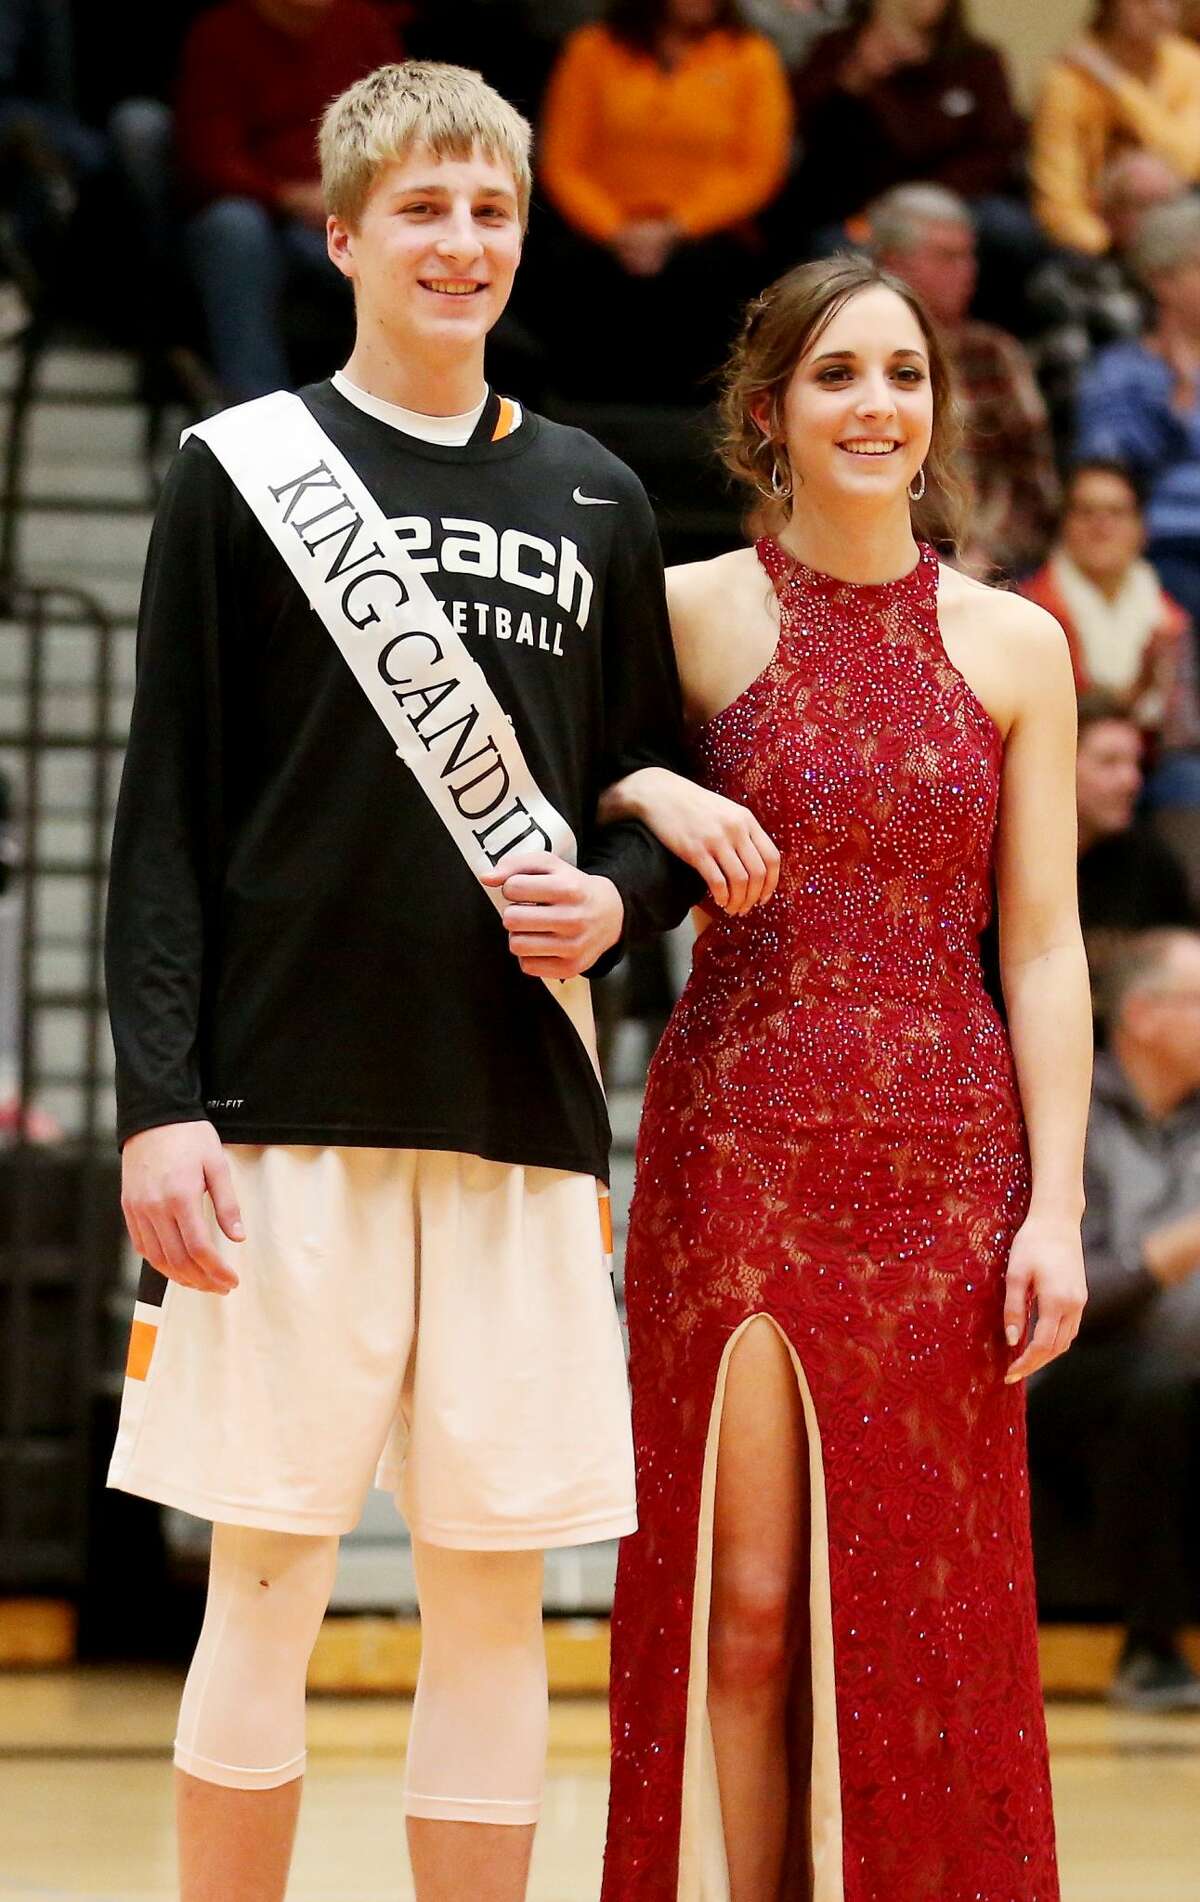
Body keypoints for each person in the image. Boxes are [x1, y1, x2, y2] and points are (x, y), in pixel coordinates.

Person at [105, 60, 699, 1902]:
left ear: (522, 240)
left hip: (521, 1115)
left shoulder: (600, 495)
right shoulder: (241, 470)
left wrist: (618, 906)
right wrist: (159, 1103)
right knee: (267, 1578)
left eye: (491, 211)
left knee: (494, 1597)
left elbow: (650, 805)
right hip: (279, 1114)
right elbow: (165, 812)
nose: (461, 243)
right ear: (347, 238)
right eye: (423, 210)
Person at [598, 254, 1090, 1898]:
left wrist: (1057, 1207)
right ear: (769, 413)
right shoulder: (683, 609)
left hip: (950, 1163)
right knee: (745, 1604)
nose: (878, 405)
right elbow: (564, 795)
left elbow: (1043, 947)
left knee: (920, 1613)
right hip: (736, 1143)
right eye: (837, 375)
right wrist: (648, 793)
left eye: (903, 374)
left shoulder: (1019, 644)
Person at [1028, 928, 1200, 1710]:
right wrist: (1176, 1249)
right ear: (1143, 1015)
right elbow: (1064, 1291)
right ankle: (1150, 1648)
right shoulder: (1068, 1113)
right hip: (1068, 1376)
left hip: (1180, 1374)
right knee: (1157, 1386)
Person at [534, 0, 793, 401]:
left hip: (707, 235)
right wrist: (614, 229)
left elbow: (760, 169)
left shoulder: (751, 56)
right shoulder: (592, 49)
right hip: (602, 234)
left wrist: (676, 227)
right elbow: (562, 162)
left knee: (715, 280)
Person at [175, 0, 401, 401]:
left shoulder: (362, 25)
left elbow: (403, 136)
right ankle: (257, 407)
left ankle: (418, 406)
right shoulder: (221, 33)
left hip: (347, 208)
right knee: (234, 226)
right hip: (258, 210)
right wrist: (286, 196)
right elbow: (208, 157)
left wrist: (352, 196)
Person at [786, 0, 1037, 315]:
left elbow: (997, 148)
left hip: (955, 201)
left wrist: (931, 198)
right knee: (832, 249)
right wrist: (855, 80)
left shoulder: (977, 61)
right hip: (865, 207)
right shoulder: (841, 51)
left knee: (1011, 229)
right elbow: (803, 138)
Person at [869, 181, 1061, 575]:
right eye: (947, 257)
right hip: (881, 560)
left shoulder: (994, 354)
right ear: (892, 265)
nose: (968, 270)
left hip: (994, 563)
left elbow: (1035, 486)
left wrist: (985, 559)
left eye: (969, 256)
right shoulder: (859, 359)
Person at [1075, 196, 1200, 627]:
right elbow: (1108, 467)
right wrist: (1175, 404)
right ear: (1162, 282)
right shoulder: (1122, 370)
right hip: (1169, 544)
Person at [1021, 461, 1199, 748]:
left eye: (1116, 513)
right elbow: (1031, 716)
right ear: (1064, 524)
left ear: (1142, 528)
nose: (1101, 526)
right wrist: (1130, 697)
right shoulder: (1031, 609)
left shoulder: (1170, 618)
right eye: (1086, 512)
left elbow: (1184, 733)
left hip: (1153, 758)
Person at [1027, 149, 1178, 453]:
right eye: (1142, 205)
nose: (1159, 220)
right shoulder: (1066, 284)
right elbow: (1070, 397)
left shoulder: (1189, 292)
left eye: (1170, 206)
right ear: (1107, 214)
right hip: (1105, 450)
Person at [1031, 0, 1200, 257]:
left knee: (1147, 177)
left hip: (1179, 232)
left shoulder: (1189, 63)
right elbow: (1058, 200)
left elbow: (1185, 162)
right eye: (1143, 1)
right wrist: (1105, 248)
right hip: (1095, 236)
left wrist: (1115, 82)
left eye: (1171, 1)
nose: (1160, 10)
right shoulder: (1068, 79)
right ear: (1110, 5)